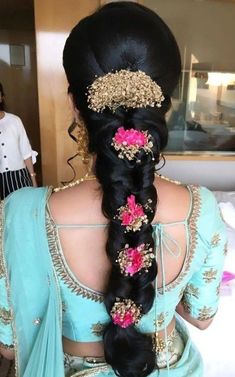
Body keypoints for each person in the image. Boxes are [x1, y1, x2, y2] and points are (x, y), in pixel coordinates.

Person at [0, 2, 227, 377]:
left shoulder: (19, 214)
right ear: (164, 109)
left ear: (75, 105)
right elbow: (202, 318)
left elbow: (9, 347)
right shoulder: (199, 209)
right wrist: (159, 297)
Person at [0, 82, 37, 200]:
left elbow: (26, 151)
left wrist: (33, 180)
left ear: (1, 97)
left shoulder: (14, 121)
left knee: (22, 210)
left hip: (18, 177)